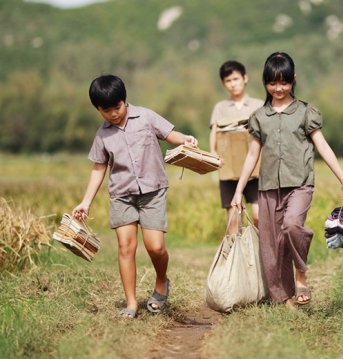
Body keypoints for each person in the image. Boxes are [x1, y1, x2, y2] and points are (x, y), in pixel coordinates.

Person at [231, 52, 343, 308]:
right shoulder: (259, 117)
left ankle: (301, 274)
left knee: (291, 226)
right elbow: (252, 155)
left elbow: (323, 147)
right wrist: (238, 191)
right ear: (265, 82)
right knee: (272, 246)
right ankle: (284, 299)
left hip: (300, 184)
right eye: (273, 83)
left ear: (293, 80)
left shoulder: (305, 112)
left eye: (284, 83)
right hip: (267, 189)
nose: (278, 88)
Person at [72, 74, 198, 318]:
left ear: (124, 100)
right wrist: (85, 202)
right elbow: (99, 169)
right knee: (125, 248)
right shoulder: (102, 135)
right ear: (98, 109)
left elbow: (171, 134)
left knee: (156, 247)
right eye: (105, 110)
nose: (113, 114)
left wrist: (186, 140)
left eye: (116, 107)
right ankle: (131, 304)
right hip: (122, 195)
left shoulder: (147, 117)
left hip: (153, 192)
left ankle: (162, 281)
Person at [209, 60, 262, 234]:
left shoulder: (258, 105)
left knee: (258, 215)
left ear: (244, 78)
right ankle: (236, 257)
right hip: (229, 171)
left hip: (255, 171)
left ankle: (261, 255)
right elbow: (215, 132)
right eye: (228, 81)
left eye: (236, 79)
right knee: (233, 219)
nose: (233, 84)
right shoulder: (220, 107)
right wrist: (213, 153)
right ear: (224, 84)